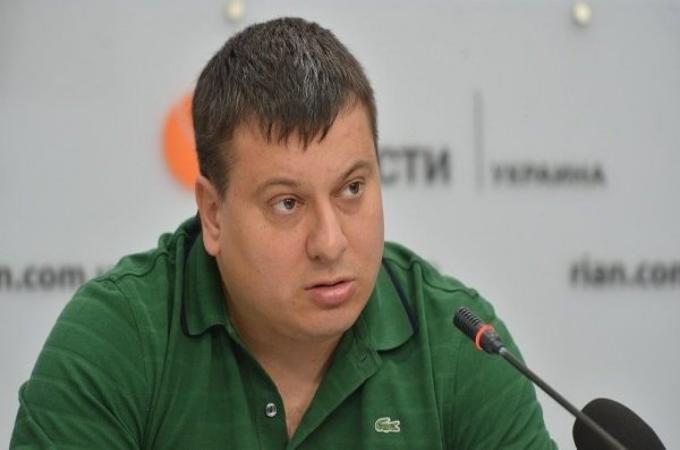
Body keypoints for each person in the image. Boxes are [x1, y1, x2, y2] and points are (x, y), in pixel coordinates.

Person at [11, 17, 556, 449]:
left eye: (352, 189)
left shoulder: (460, 344)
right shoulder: (119, 338)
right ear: (214, 214)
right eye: (287, 204)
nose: (331, 243)